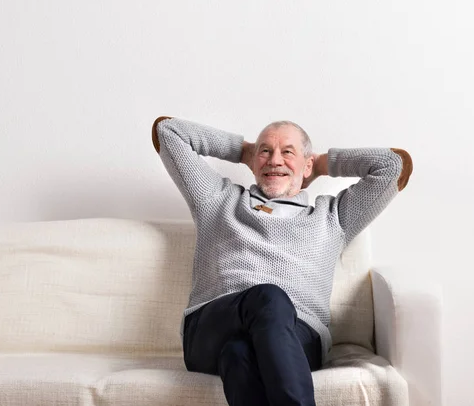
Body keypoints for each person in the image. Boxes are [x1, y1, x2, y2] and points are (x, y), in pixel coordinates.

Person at [151, 115, 413, 406]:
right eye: (266, 151)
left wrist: (323, 163)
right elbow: (168, 132)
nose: (274, 160)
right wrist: (244, 151)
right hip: (211, 326)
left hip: (298, 335)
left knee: (238, 354)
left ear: (307, 163)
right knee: (269, 297)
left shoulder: (332, 217)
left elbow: (393, 166)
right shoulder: (216, 199)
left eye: (288, 152)